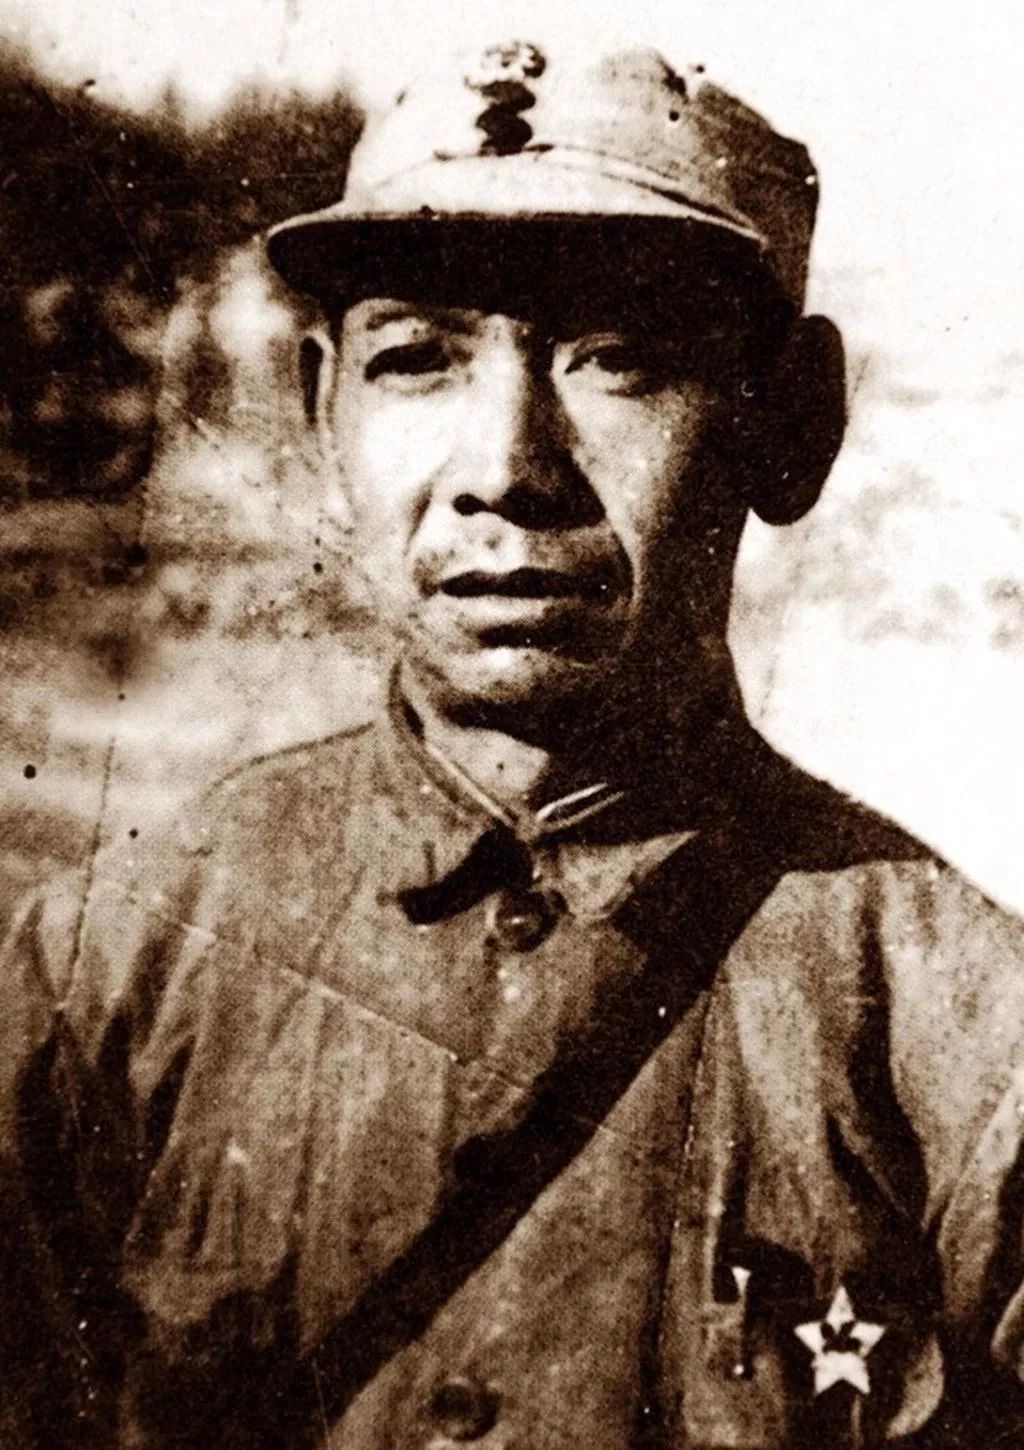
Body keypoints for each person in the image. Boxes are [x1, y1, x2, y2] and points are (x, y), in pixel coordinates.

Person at [1, 40, 1023, 1449]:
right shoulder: (110, 969)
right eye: (415, 361)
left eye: (624, 361)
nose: (505, 467)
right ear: (323, 416)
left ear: (791, 424)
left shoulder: (964, 1036)